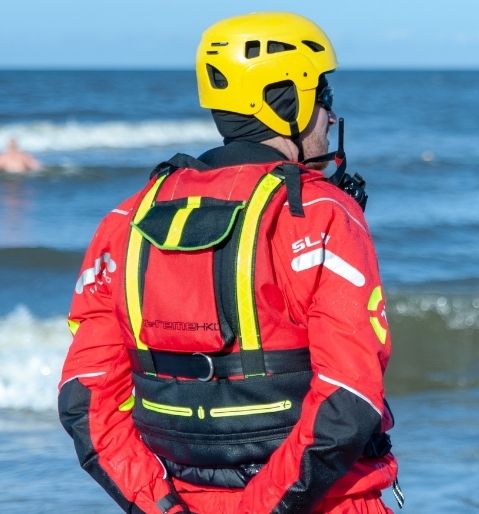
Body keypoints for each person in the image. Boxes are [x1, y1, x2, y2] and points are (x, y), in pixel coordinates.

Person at [58, 12, 400, 514]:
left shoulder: (126, 219)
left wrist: (159, 506)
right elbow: (349, 400)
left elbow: (84, 400)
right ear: (289, 100)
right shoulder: (320, 213)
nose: (329, 114)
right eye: (322, 95)